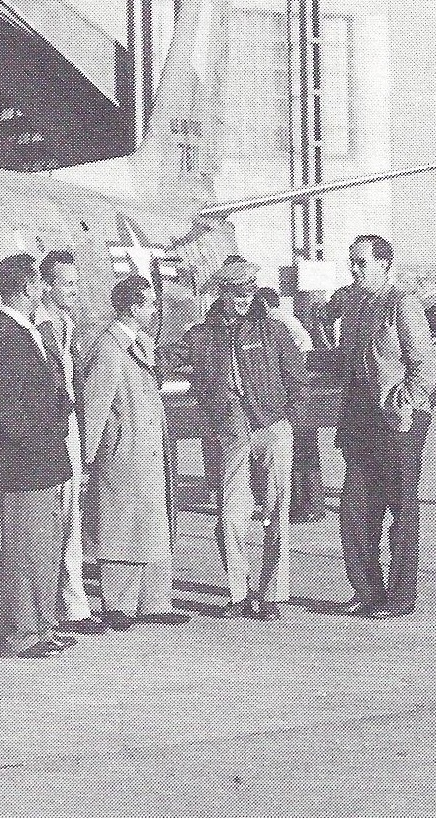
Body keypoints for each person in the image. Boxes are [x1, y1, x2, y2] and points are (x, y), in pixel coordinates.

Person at [319, 233, 436, 619]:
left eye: (361, 263)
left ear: (384, 264)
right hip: (359, 420)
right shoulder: (353, 304)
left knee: (401, 510)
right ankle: (367, 591)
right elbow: (345, 358)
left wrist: (406, 407)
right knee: (355, 511)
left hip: (398, 422)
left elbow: (424, 365)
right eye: (352, 262)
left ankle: (401, 598)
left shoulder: (402, 303)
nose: (354, 269)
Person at [182, 256, 307, 619]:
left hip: (272, 428)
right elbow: (168, 357)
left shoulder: (273, 330)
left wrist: (287, 420)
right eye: (237, 290)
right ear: (222, 292)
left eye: (250, 289)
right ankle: (239, 593)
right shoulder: (203, 335)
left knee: (276, 511)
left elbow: (297, 378)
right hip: (232, 431)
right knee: (230, 515)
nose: (244, 297)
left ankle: (272, 594)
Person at [0, 253, 77, 659]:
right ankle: (20, 634)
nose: (44, 289)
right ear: (28, 288)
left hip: (44, 459)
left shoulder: (27, 331)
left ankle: (44, 625)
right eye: (40, 283)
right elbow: (4, 410)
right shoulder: (5, 334)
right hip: (26, 463)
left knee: (45, 548)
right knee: (23, 553)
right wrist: (41, 444)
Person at [81, 276, 191, 630]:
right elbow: (95, 404)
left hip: (146, 453)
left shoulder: (138, 344)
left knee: (152, 526)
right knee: (121, 527)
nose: (155, 310)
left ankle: (154, 602)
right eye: (148, 304)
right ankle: (117, 604)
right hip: (123, 454)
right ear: (132, 308)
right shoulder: (110, 349)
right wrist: (87, 456)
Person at [34, 249, 102, 634]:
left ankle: (72, 600)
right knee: (59, 515)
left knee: (72, 511)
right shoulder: (41, 327)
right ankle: (66, 605)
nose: (75, 290)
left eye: (77, 283)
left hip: (67, 424)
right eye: (67, 284)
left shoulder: (65, 325)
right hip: (54, 429)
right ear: (45, 286)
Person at [255, 286, 325, 523]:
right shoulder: (287, 319)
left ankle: (303, 506)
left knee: (297, 454)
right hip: (302, 393)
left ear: (264, 304)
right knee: (307, 451)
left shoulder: (274, 323)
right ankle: (314, 505)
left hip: (291, 396)